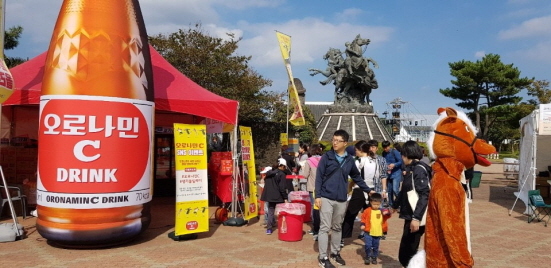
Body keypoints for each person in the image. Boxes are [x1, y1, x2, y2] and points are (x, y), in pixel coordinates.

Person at [315, 130, 375, 268]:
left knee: (337, 227)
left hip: (341, 198)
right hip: (326, 197)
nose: (334, 143)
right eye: (333, 140)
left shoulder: (349, 159)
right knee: (324, 228)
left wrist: (368, 190)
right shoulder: (327, 157)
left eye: (338, 140)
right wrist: (318, 196)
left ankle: (335, 253)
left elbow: (356, 177)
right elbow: (319, 177)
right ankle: (323, 257)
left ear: (345, 143)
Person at [391, 141, 431, 267]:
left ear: (408, 155)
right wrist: (394, 206)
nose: (402, 158)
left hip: (415, 216)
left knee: (407, 252)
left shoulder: (418, 170)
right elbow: (404, 191)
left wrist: (416, 218)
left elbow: (424, 194)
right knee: (407, 251)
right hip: (410, 214)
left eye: (403, 155)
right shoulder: (411, 169)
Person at [341, 140, 387, 243]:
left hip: (359, 189)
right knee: (371, 214)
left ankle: (342, 238)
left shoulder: (358, 161)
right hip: (371, 190)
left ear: (361, 150)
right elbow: (378, 176)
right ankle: (372, 235)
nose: (355, 152)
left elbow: (353, 176)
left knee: (350, 214)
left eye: (356, 150)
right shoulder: (375, 162)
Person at [360, 192, 391, 265]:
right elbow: (363, 218)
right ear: (371, 202)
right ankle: (368, 256)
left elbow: (388, 215)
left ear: (380, 203)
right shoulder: (367, 211)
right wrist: (362, 224)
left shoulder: (381, 211)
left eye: (378, 204)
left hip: (378, 232)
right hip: (368, 232)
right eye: (374, 204)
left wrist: (387, 213)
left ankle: (374, 257)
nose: (376, 206)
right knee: (368, 245)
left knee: (375, 246)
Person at [260, 159, 289, 235]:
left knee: (271, 211)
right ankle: (284, 226)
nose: (285, 168)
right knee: (283, 212)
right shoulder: (281, 174)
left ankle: (269, 229)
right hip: (279, 196)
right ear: (282, 166)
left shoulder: (269, 173)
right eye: (284, 167)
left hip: (269, 195)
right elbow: (282, 187)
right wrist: (285, 198)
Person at [302, 144, 323, 239]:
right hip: (323, 187)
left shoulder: (309, 161)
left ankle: (316, 229)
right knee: (322, 208)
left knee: (315, 209)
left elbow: (305, 175)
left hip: (313, 188)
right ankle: (323, 228)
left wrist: (303, 168)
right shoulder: (324, 160)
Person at [382, 141, 403, 207]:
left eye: (386, 147)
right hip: (389, 173)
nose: (385, 149)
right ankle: (391, 204)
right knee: (389, 190)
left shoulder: (395, 152)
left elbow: (401, 161)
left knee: (395, 189)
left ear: (389, 146)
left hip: (396, 172)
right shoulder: (383, 153)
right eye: (384, 148)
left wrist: (394, 164)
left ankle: (401, 202)